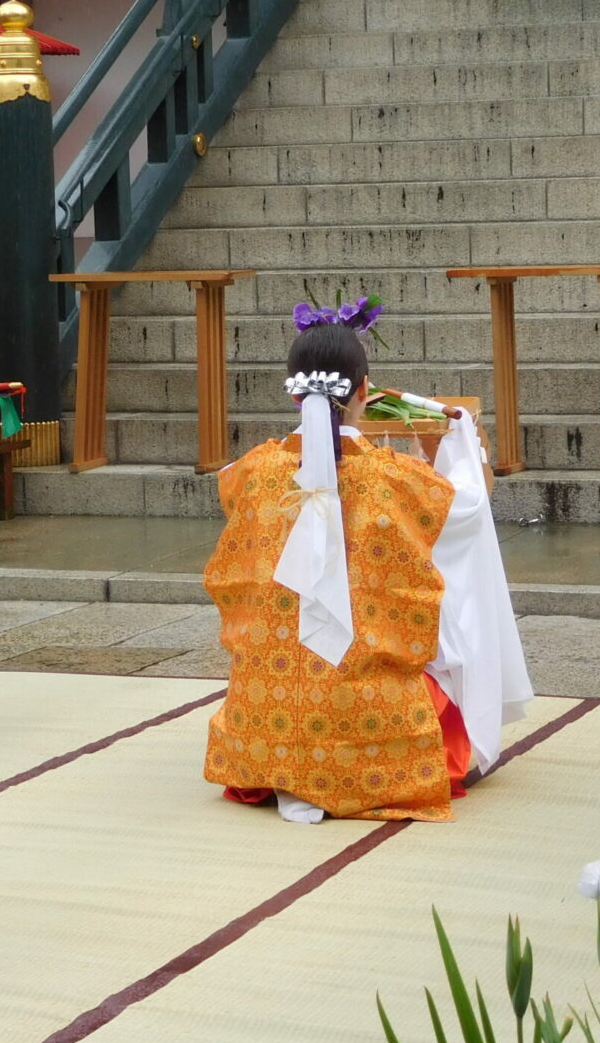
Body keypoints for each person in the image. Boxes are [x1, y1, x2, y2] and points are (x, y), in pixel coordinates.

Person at [202, 319, 533, 823]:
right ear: (363, 390)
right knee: (437, 632)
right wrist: (461, 439)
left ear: (295, 394)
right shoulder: (396, 479)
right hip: (370, 713)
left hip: (265, 722)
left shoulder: (249, 474)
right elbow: (468, 507)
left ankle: (278, 759)